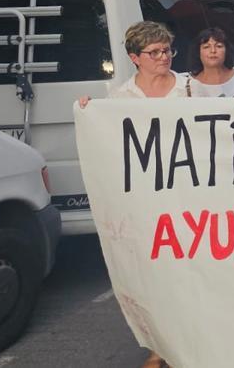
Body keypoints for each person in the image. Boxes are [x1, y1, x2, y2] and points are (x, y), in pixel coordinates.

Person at [76, 21, 188, 368]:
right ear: (134, 57)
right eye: (154, 52)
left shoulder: (189, 88)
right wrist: (89, 113)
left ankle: (189, 343)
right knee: (152, 277)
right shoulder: (121, 98)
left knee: (187, 274)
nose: (163, 57)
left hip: (187, 196)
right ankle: (157, 348)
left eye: (167, 50)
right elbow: (111, 143)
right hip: (145, 203)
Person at [185, 27, 234, 97]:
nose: (213, 51)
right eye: (206, 47)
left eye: (219, 46)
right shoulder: (188, 85)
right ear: (198, 52)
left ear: (227, 50)